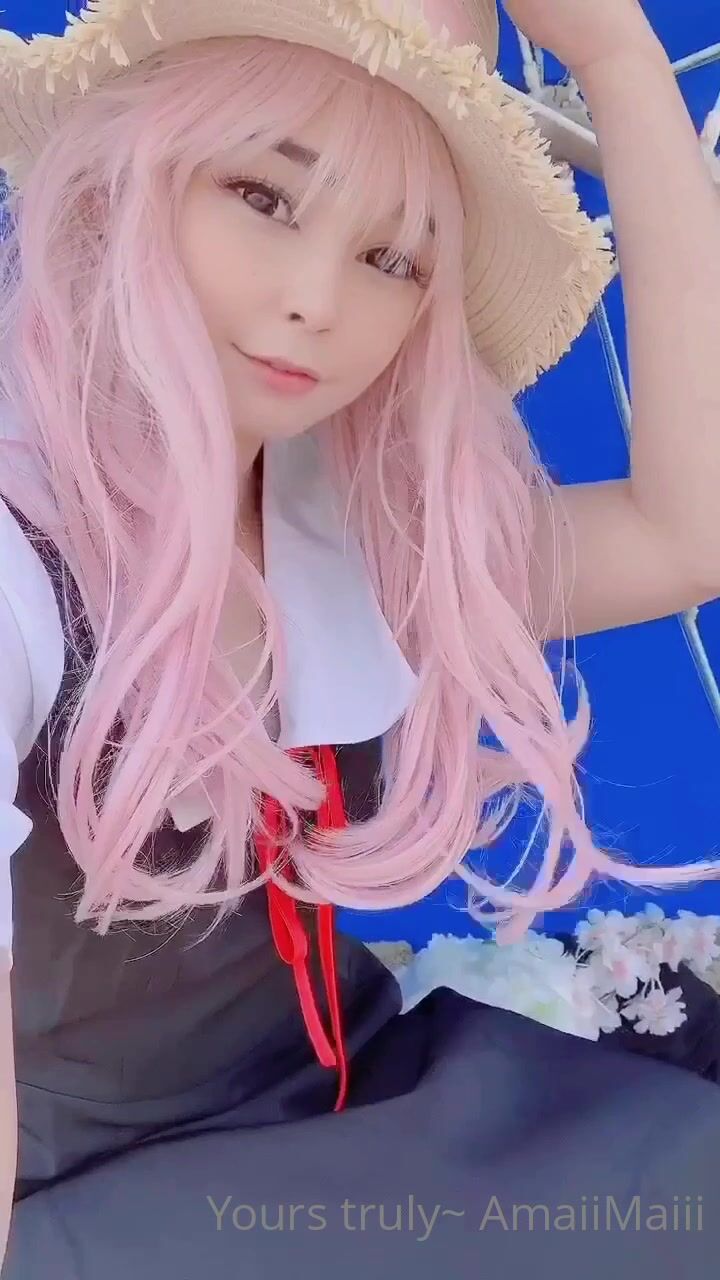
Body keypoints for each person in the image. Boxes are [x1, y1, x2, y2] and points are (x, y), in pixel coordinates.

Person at [0, 0, 720, 1274]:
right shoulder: (18, 560)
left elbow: (687, 531)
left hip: (358, 1112)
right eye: (263, 197)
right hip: (99, 1208)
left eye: (394, 258)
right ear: (127, 177)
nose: (316, 301)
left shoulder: (338, 525)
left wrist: (621, 64)